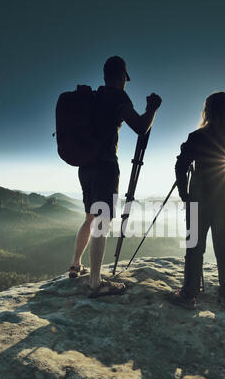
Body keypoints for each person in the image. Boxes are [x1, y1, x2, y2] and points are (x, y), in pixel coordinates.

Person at [69, 56, 162, 297]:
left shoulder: (93, 97)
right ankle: (95, 283)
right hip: (105, 167)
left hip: (85, 167)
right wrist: (151, 109)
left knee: (90, 217)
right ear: (122, 77)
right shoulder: (117, 97)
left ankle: (76, 265)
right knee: (103, 222)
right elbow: (141, 127)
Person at [174, 91, 225, 309]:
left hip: (198, 200)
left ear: (207, 111)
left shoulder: (197, 137)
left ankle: (190, 295)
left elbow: (180, 166)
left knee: (194, 247)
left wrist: (184, 194)